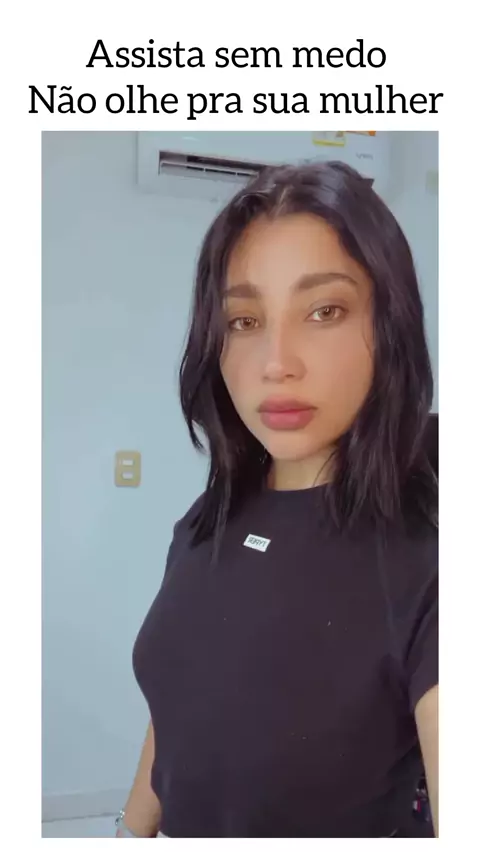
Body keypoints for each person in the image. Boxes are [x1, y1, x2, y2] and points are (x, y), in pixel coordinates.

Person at [117, 161, 438, 838]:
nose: (275, 362)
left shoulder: (427, 554)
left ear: (392, 324)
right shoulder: (205, 521)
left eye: (324, 311)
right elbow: (175, 715)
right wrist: (127, 833)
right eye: (244, 320)